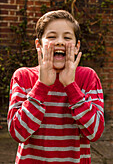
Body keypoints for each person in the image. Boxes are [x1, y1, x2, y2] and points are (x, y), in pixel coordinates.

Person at [7, 10, 104, 164]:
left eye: (67, 37)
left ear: (77, 46)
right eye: (52, 37)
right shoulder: (23, 77)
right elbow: (18, 133)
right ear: (39, 45)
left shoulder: (88, 77)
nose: (60, 42)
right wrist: (42, 86)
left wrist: (71, 86)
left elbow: (95, 132)